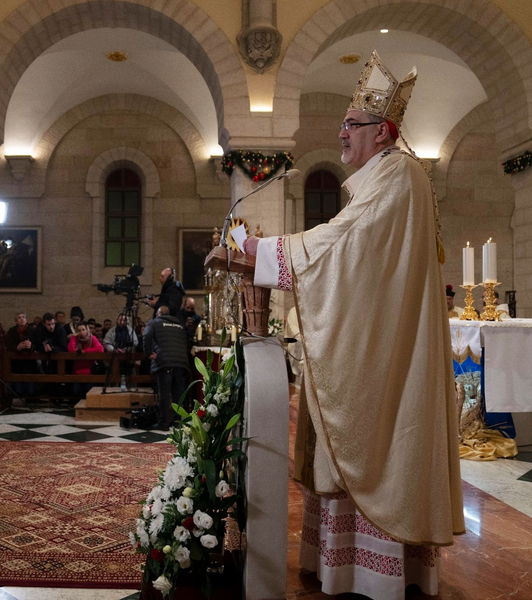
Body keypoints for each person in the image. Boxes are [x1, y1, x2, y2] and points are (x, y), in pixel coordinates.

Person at [242, 51, 463, 598]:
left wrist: (267, 249)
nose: (342, 134)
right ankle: (343, 564)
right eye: (344, 124)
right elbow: (347, 245)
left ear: (382, 131)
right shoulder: (383, 178)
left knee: (376, 432)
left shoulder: (398, 174)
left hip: (388, 350)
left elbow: (343, 247)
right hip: (378, 335)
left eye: (351, 125)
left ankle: (374, 575)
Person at [142, 307, 190, 431]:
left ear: (158, 314)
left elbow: (146, 335)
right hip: (181, 361)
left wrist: (148, 353)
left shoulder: (154, 322)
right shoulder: (179, 324)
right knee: (177, 393)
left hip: (164, 361)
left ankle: (163, 422)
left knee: (164, 393)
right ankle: (177, 421)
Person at [67, 322, 103, 398]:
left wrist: (85, 351)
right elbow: (71, 350)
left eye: (83, 330)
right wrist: (73, 337)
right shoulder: (75, 339)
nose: (82, 332)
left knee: (88, 392)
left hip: (89, 370)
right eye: (79, 330)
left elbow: (100, 349)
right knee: (76, 392)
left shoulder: (92, 338)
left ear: (87, 330)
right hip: (77, 370)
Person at [4, 312, 36, 398]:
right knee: (18, 382)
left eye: (23, 317)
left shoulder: (32, 330)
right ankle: (18, 396)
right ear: (16, 321)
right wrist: (17, 347)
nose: (22, 319)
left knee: (30, 382)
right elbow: (9, 344)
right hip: (17, 360)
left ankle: (30, 397)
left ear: (26, 319)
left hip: (30, 360)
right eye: (19, 318)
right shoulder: (12, 331)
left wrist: (31, 346)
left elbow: (37, 343)